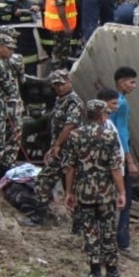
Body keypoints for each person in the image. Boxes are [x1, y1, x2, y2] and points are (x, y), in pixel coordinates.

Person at [61, 99, 125, 277]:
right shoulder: (110, 136)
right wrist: (121, 192)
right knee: (108, 231)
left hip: (84, 192)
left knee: (89, 230)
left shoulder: (75, 135)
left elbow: (70, 167)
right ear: (103, 115)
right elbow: (115, 168)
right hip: (105, 193)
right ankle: (112, 272)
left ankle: (94, 270)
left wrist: (69, 192)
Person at [35, 69, 83, 217]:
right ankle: (44, 213)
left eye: (62, 84)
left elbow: (69, 126)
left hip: (68, 150)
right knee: (54, 181)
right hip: (59, 149)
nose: (59, 88)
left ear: (69, 82)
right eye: (56, 85)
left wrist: (57, 145)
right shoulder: (60, 100)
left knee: (44, 180)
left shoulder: (74, 102)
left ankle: (39, 215)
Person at [110, 66, 139, 255]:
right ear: (121, 83)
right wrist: (129, 160)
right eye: (131, 82)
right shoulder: (121, 104)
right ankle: (123, 241)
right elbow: (122, 132)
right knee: (125, 198)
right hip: (119, 156)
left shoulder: (111, 103)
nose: (134, 86)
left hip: (111, 155)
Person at [0, 0, 42, 75]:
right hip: (6, 49)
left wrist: (37, 7)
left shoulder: (29, 5)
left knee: (30, 79)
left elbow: (40, 10)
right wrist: (13, 10)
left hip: (28, 49)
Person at [0, 31, 23, 182]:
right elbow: (7, 88)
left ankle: (5, 173)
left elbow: (20, 80)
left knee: (11, 140)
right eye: (8, 48)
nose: (12, 51)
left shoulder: (10, 62)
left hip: (8, 106)